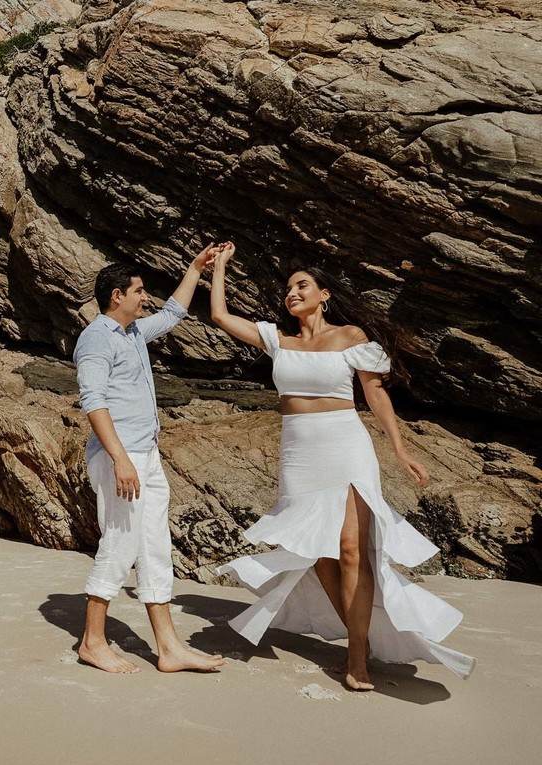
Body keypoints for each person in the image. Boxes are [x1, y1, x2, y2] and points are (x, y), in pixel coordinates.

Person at [208, 242, 475, 689]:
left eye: (301, 285)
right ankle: (359, 639)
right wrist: (218, 267)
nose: (292, 293)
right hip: (299, 455)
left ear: (324, 294)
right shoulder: (279, 339)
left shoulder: (351, 337)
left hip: (345, 447)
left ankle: (356, 660)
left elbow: (376, 395)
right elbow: (219, 316)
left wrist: (400, 450)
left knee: (352, 550)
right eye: (288, 289)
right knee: (320, 556)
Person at [73, 248, 228, 674]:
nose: (146, 298)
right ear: (117, 295)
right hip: (121, 456)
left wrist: (196, 269)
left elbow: (175, 312)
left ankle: (169, 647)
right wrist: (120, 459)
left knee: (155, 547)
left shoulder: (134, 332)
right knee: (120, 543)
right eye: (139, 291)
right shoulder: (97, 338)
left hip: (146, 453)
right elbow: (93, 401)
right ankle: (92, 642)